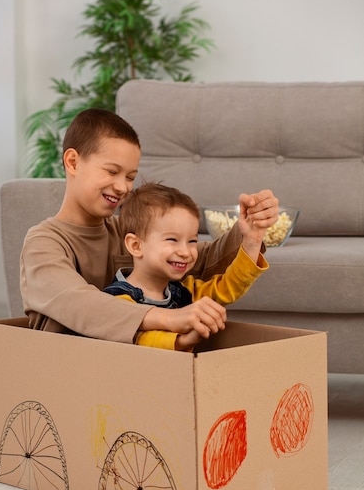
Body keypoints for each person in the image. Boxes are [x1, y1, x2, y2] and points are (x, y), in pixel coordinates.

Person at [20, 108, 279, 345]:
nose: (122, 187)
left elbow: (200, 259)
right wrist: (168, 318)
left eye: (130, 177)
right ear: (73, 162)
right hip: (70, 375)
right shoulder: (43, 243)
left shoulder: (126, 230)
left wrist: (248, 232)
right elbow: (77, 302)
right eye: (112, 172)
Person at [103, 183, 269, 351]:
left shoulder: (183, 292)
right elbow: (136, 339)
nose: (185, 252)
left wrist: (252, 242)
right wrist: (181, 342)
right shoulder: (118, 300)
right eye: (172, 240)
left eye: (192, 241)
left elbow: (226, 288)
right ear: (136, 245)